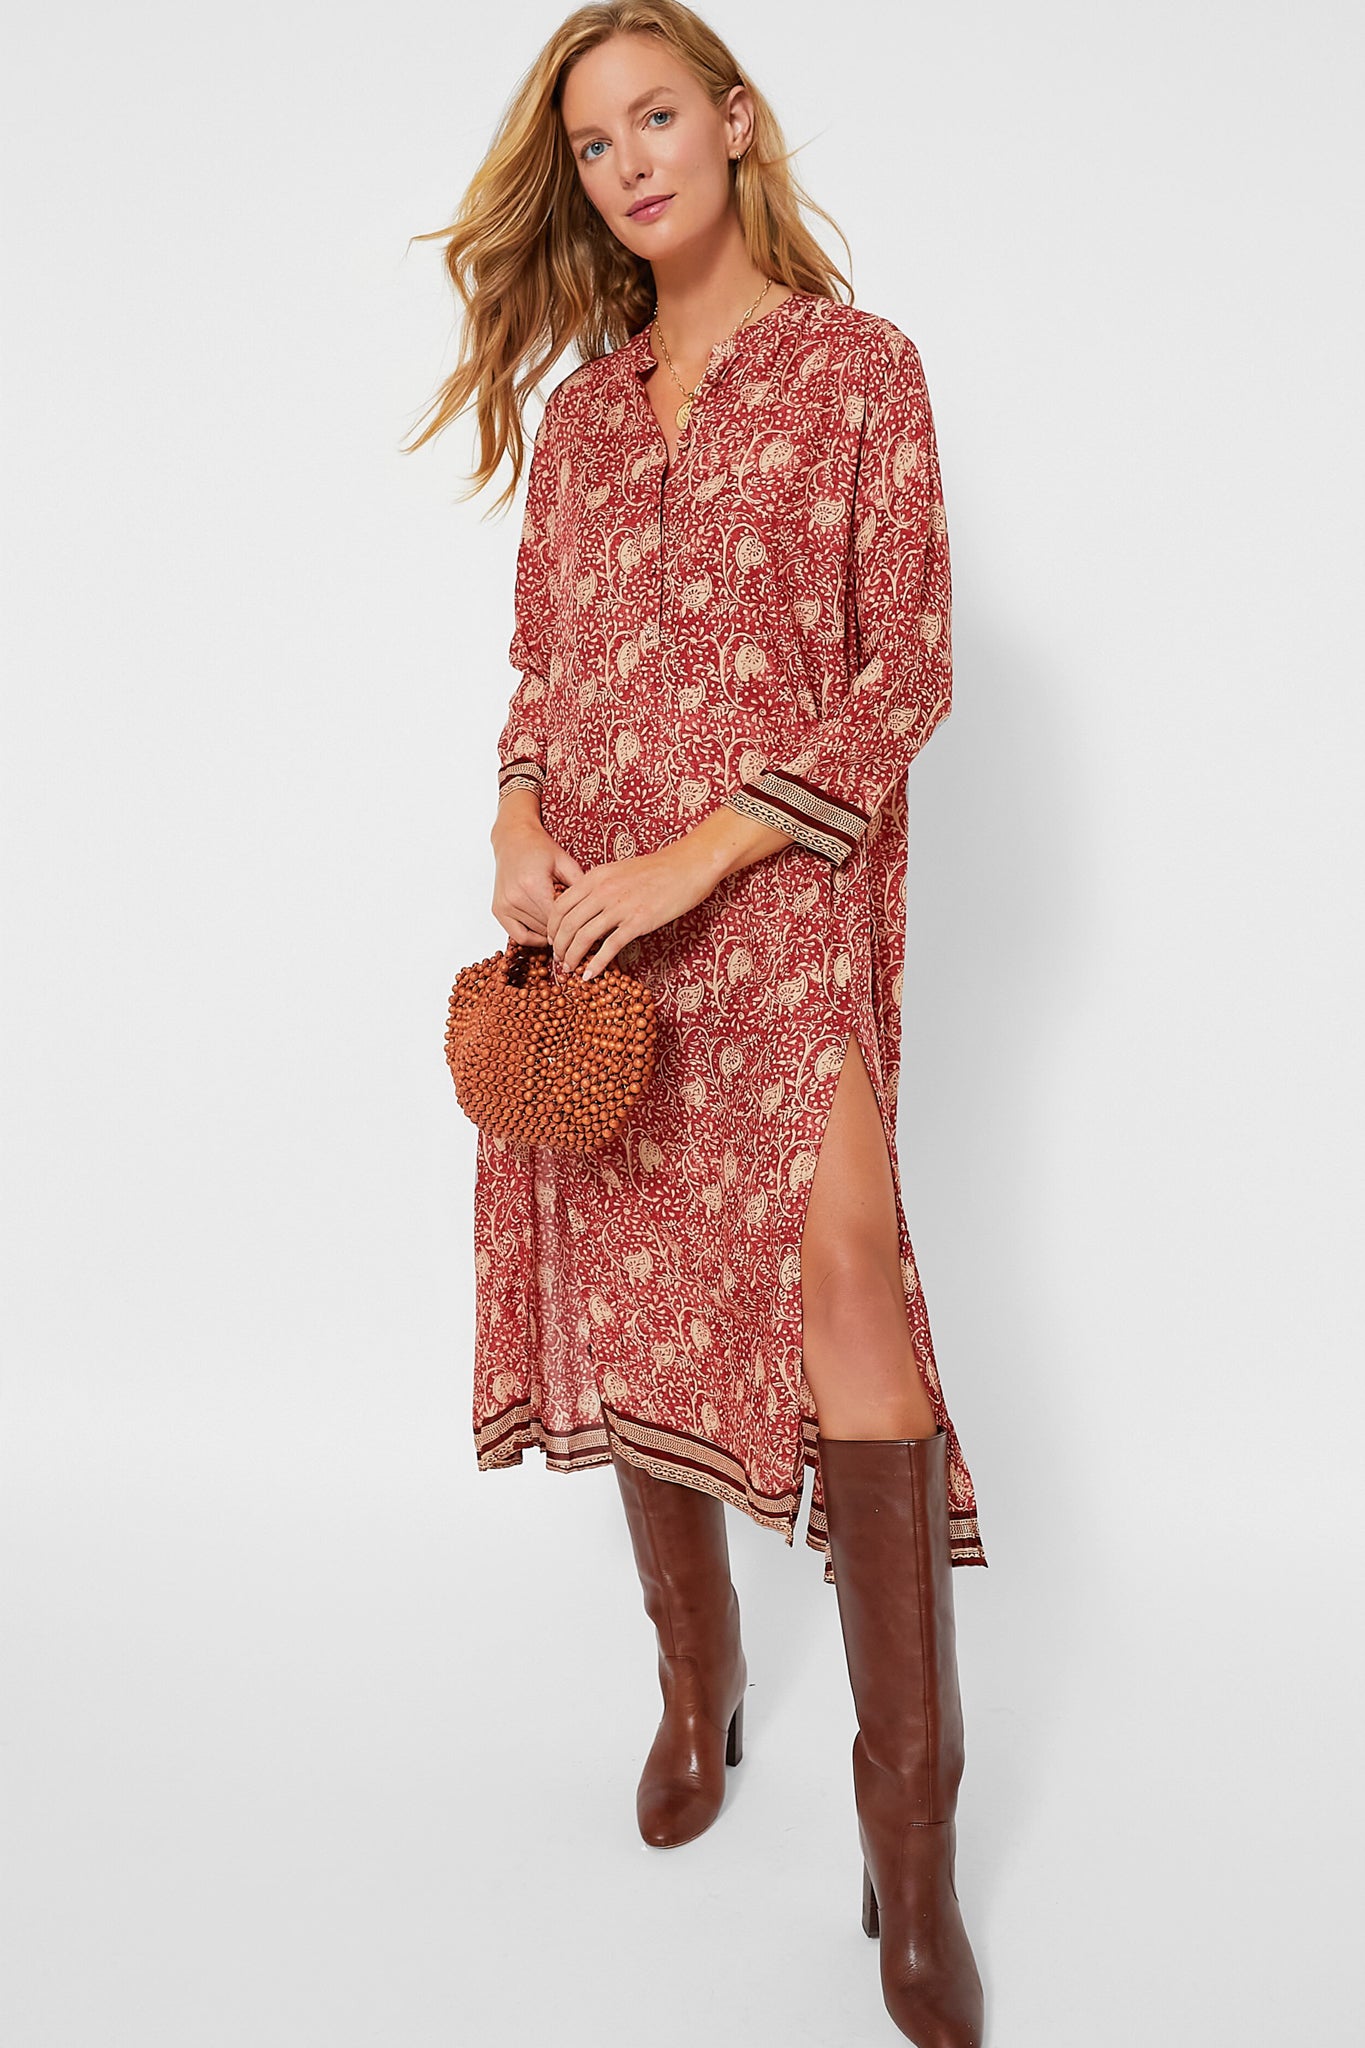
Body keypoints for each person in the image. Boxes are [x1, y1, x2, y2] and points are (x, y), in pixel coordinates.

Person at [408, 7, 987, 2042]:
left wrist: (702, 856)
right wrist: (518, 821)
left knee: (846, 1304)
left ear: (734, 124)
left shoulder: (857, 370)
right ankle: (696, 1683)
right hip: (597, 923)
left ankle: (908, 1844)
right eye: (593, 143)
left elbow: (903, 673)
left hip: (773, 914)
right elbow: (539, 665)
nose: (629, 161)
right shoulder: (581, 416)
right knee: (636, 1283)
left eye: (657, 116)